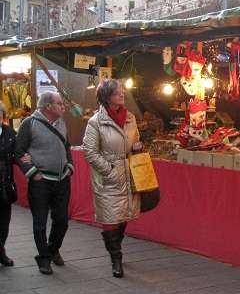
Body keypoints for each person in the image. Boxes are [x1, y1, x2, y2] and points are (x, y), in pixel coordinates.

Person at [82, 79, 142, 278]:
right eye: (117, 92)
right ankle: (116, 258)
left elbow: (136, 138)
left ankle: (117, 248)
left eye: (122, 91)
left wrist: (136, 147)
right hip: (108, 176)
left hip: (128, 173)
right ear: (107, 97)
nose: (122, 94)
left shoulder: (130, 118)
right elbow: (90, 152)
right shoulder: (95, 122)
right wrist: (109, 170)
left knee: (124, 215)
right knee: (110, 219)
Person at [15, 91, 73, 275]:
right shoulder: (29, 123)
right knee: (40, 222)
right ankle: (44, 258)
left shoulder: (62, 123)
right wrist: (33, 173)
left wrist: (70, 165)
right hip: (41, 181)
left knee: (62, 220)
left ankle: (53, 248)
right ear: (48, 106)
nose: (63, 107)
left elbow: (66, 146)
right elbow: (18, 151)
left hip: (62, 179)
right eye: (59, 104)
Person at [0, 103, 16, 267]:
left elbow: (17, 153)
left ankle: (1, 249)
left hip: (5, 184)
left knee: (4, 223)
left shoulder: (9, 132)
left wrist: (27, 160)